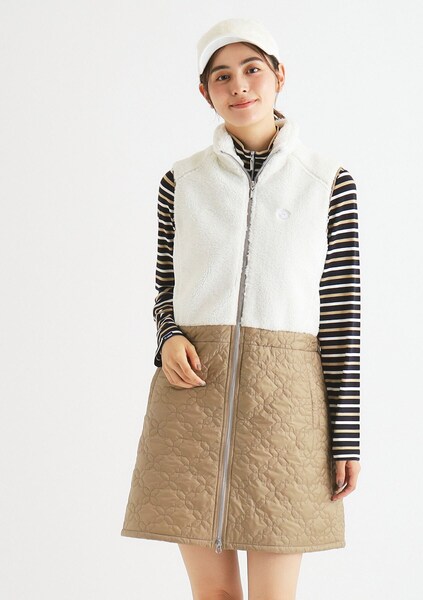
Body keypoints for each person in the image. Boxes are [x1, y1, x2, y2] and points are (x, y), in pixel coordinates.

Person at [121, 17, 361, 600]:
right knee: (214, 595)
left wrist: (345, 434)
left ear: (279, 76)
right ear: (205, 92)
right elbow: (165, 286)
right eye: (222, 76)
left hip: (287, 405)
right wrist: (168, 336)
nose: (239, 86)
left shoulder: (328, 182)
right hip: (193, 396)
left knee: (274, 596)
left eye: (252, 69)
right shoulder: (181, 181)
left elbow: (342, 312)